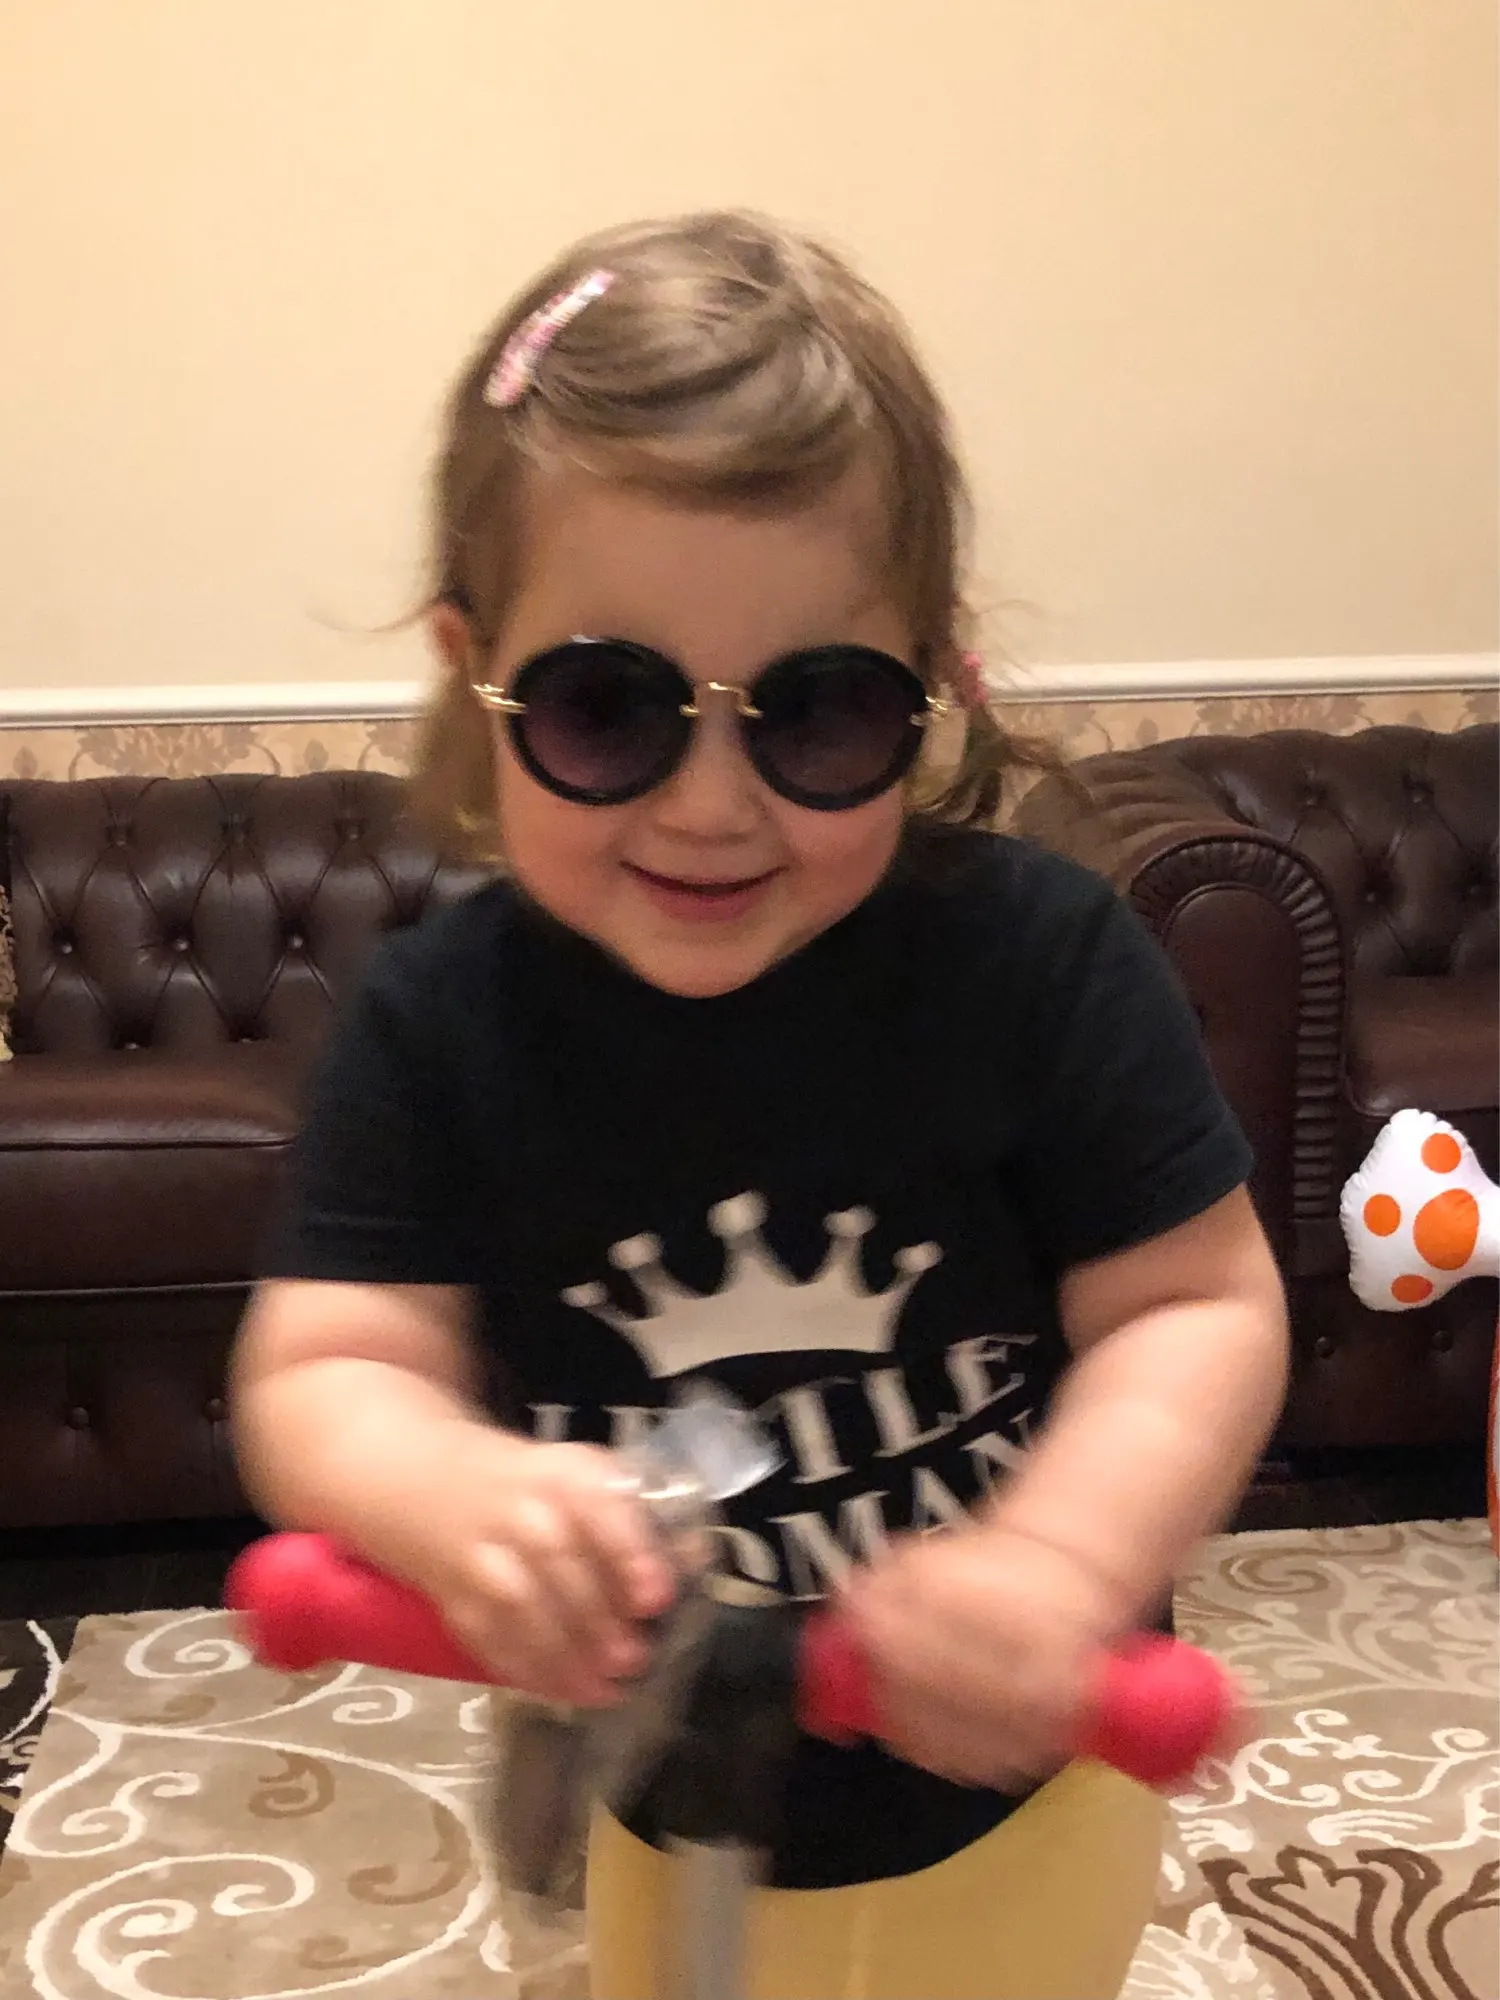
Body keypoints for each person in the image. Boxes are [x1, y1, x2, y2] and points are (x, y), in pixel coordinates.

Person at [231, 210, 1288, 2000]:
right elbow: (325, 1365)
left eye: (817, 713)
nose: (712, 806)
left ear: (934, 688)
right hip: (661, 1769)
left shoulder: (1037, 963)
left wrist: (1058, 1562)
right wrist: (448, 1489)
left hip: (1016, 1781)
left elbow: (1196, 1309)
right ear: (475, 667)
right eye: (605, 707)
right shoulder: (438, 1022)